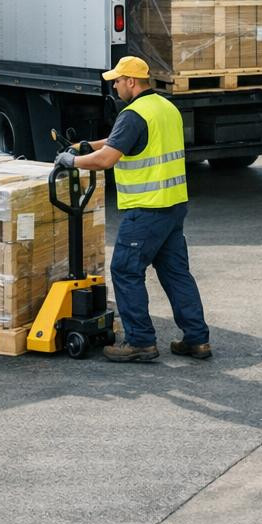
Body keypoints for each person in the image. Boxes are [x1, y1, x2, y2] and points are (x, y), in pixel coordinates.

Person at [58, 56, 211, 363]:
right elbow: (120, 142)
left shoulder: (133, 114)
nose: (114, 86)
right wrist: (86, 145)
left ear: (131, 82)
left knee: (125, 270)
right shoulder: (166, 108)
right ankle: (197, 340)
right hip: (173, 206)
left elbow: (107, 160)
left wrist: (71, 161)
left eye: (117, 81)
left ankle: (140, 341)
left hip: (146, 210)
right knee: (176, 273)